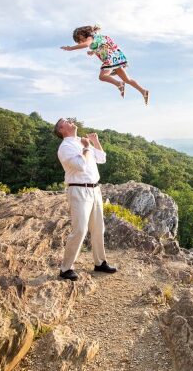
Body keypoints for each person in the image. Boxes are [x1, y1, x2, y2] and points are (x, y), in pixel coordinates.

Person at [54, 117, 117, 281]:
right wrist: (87, 147)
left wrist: (95, 142)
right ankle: (66, 268)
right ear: (61, 129)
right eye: (66, 121)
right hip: (79, 190)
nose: (71, 121)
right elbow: (80, 165)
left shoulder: (80, 141)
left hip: (95, 189)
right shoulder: (65, 147)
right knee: (80, 230)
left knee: (98, 228)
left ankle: (100, 262)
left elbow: (102, 158)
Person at [61, 25, 149, 105]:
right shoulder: (98, 37)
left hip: (110, 58)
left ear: (83, 34)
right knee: (127, 79)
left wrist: (71, 48)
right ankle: (143, 91)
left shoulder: (90, 37)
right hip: (117, 57)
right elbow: (103, 45)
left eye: (80, 40)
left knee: (102, 76)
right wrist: (92, 52)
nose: (80, 42)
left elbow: (87, 44)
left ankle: (119, 84)